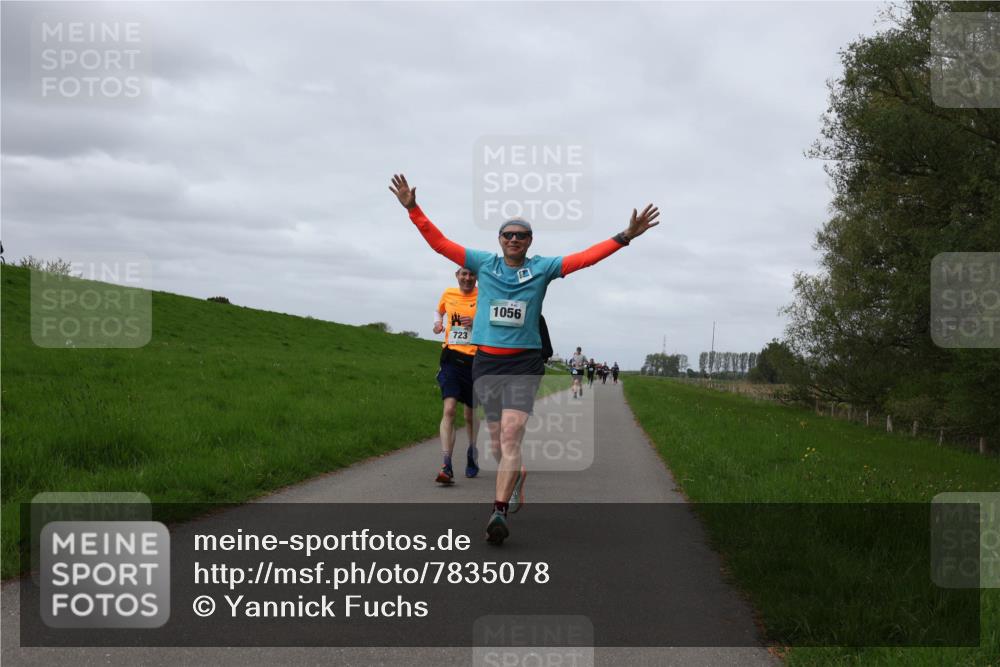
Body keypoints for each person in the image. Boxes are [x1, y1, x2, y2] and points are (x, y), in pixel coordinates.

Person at [390, 173, 660, 544]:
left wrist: (625, 236)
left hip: (523, 364)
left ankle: (498, 512)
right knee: (498, 442)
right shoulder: (484, 264)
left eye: (521, 235)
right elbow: (439, 244)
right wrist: (413, 209)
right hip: (486, 362)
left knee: (513, 435)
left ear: (530, 241)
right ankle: (516, 476)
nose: (514, 239)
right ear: (499, 240)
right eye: (508, 235)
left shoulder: (542, 268)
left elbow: (584, 259)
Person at [433, 267, 481, 484]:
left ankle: (472, 451)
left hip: (476, 361)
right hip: (451, 357)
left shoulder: (484, 295)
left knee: (469, 415)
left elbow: (496, 324)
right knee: (449, 409)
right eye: (463, 274)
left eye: (471, 274)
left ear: (476, 277)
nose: (467, 278)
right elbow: (438, 311)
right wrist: (438, 323)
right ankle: (447, 464)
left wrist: (477, 325)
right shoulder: (448, 293)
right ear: (457, 276)